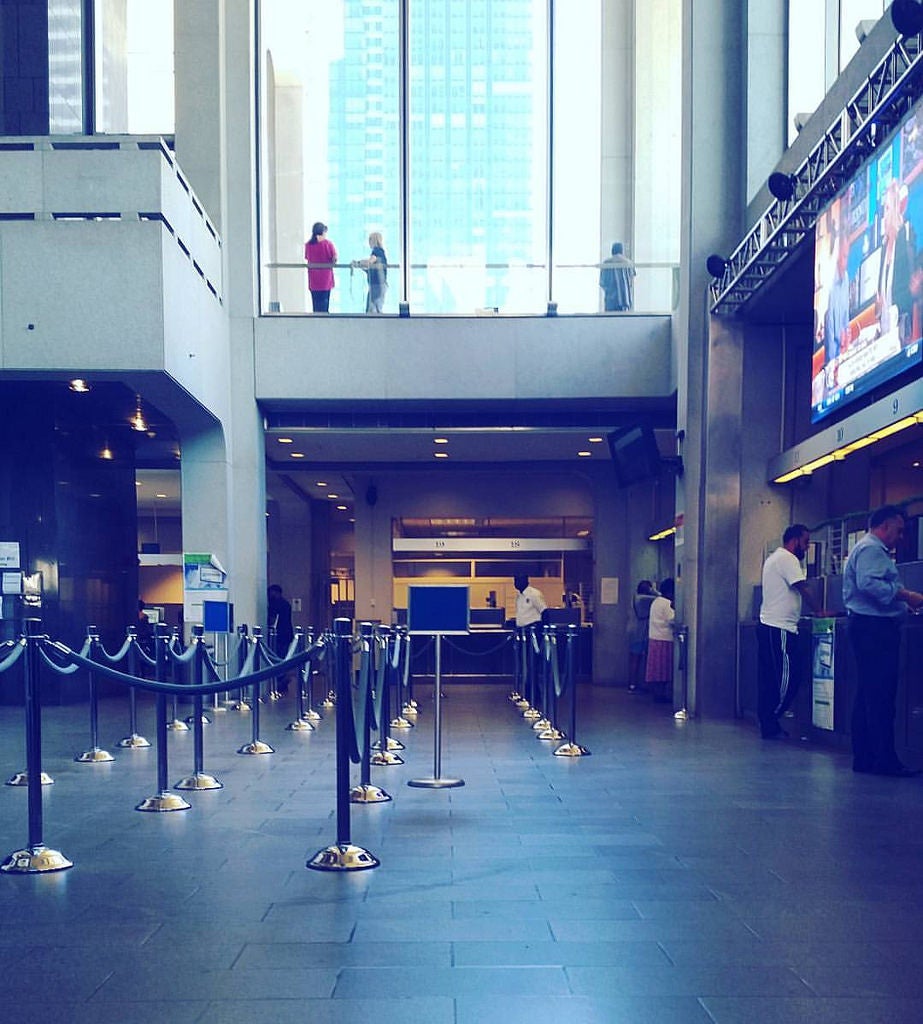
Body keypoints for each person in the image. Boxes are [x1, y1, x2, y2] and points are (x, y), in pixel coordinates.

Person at [843, 505, 923, 776]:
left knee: (868, 693)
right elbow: (869, 584)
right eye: (899, 530)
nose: (900, 536)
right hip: (875, 628)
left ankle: (865, 758)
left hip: (865, 626)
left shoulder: (864, 549)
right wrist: (905, 595)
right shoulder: (872, 550)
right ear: (885, 526)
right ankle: (885, 760)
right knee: (880, 695)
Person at [757, 524, 823, 739]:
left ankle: (769, 724)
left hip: (771, 626)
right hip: (780, 628)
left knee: (771, 679)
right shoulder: (787, 558)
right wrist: (820, 611)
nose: (806, 548)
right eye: (805, 543)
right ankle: (770, 718)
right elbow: (803, 587)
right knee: (789, 678)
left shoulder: (774, 558)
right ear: (794, 541)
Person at [645, 577, 675, 703]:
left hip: (654, 638)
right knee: (664, 670)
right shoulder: (666, 604)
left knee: (656, 670)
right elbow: (672, 619)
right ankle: (661, 695)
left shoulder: (656, 601)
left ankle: (657, 694)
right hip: (665, 638)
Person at [628, 580, 657, 693]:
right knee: (636, 659)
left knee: (635, 659)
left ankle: (633, 684)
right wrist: (654, 590)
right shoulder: (643, 599)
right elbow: (660, 597)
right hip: (639, 633)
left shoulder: (635, 597)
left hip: (634, 632)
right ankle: (634, 685)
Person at [267, 584, 295, 695]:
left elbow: (272, 620)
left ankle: (280, 681)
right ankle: (282, 680)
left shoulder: (275, 605)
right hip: (287, 634)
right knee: (283, 658)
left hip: (278, 635)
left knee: (277, 657)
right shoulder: (286, 604)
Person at [304, 222, 337, 313]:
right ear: (322, 232)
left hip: (313, 279)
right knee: (325, 305)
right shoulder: (328, 244)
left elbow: (307, 258)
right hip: (325, 279)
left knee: (315, 305)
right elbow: (334, 258)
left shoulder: (308, 245)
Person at [353, 232, 388, 313]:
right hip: (379, 284)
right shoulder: (382, 253)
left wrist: (358, 263)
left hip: (377, 285)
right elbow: (370, 268)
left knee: (373, 308)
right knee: (375, 307)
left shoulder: (377, 251)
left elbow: (369, 262)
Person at [599, 242, 636, 312]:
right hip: (625, 300)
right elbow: (632, 278)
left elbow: (602, 283)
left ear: (612, 250)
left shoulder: (606, 263)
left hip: (610, 301)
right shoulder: (629, 263)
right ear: (622, 250)